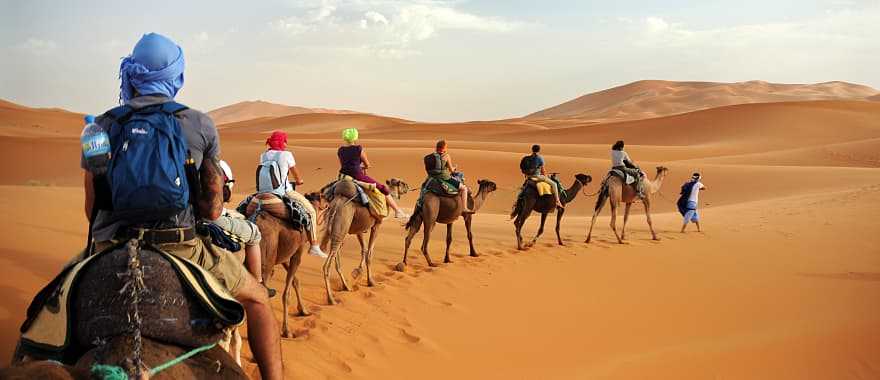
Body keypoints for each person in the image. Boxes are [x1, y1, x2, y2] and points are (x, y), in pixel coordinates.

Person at [82, 33, 282, 380]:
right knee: (259, 300)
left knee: (46, 315)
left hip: (109, 244)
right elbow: (213, 210)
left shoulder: (99, 126)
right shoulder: (199, 123)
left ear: (131, 74)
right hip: (183, 248)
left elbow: (92, 208)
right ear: (177, 77)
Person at [260, 130, 328, 257]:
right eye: (285, 141)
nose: (286, 144)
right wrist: (299, 181)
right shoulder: (286, 155)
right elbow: (296, 175)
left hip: (262, 192)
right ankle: (314, 245)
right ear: (282, 142)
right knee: (311, 212)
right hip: (283, 192)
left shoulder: (263, 155)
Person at [214, 160, 276, 297]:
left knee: (243, 207)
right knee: (253, 232)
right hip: (280, 193)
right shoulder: (214, 168)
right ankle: (259, 283)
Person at [337, 128, 409, 219]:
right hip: (357, 175)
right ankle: (397, 211)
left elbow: (344, 165)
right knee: (383, 189)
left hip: (343, 176)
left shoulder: (340, 150)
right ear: (355, 138)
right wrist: (364, 167)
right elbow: (367, 164)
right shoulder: (358, 149)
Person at [423, 139, 473, 212]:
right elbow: (451, 170)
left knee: (423, 188)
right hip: (445, 178)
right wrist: (454, 168)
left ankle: (419, 204)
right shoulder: (446, 156)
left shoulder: (430, 157)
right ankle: (465, 208)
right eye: (446, 147)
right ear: (444, 148)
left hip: (432, 178)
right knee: (464, 188)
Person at [520, 144, 564, 208]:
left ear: (532, 150)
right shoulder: (539, 158)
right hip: (537, 177)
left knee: (522, 189)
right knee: (554, 184)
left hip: (528, 177)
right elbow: (543, 171)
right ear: (539, 150)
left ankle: (518, 200)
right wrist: (546, 176)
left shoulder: (527, 158)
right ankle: (557, 201)